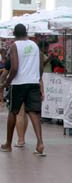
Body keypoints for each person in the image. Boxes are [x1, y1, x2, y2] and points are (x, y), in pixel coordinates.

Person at [0, 24, 45, 156]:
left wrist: (7, 83)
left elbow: (14, 68)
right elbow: (41, 65)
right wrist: (38, 77)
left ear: (14, 33)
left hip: (19, 83)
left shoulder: (15, 46)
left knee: (13, 112)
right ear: (26, 33)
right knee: (34, 113)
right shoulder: (34, 45)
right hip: (33, 83)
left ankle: (8, 144)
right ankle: (40, 143)